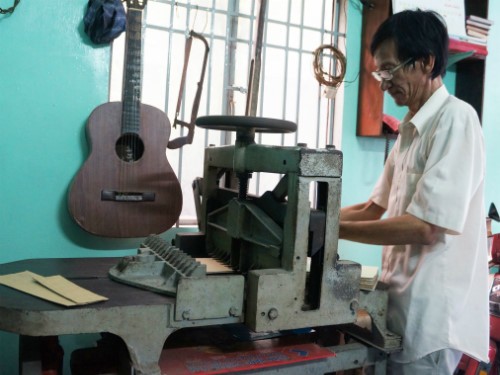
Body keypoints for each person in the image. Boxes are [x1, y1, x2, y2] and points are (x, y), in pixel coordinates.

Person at [339, 9, 489, 374]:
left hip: (431, 319)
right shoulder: (410, 127)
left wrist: (330, 230)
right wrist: (309, 219)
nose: (382, 81)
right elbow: (375, 207)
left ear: (425, 62)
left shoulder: (456, 119)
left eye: (389, 69)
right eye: (379, 71)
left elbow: (426, 227)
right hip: (398, 306)